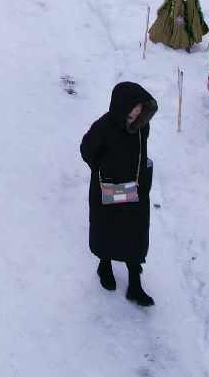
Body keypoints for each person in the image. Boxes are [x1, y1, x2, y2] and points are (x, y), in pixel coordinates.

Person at [80, 82, 159, 307]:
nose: (137, 111)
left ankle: (135, 285)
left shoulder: (142, 127)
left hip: (134, 190)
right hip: (109, 189)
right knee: (107, 229)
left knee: (135, 235)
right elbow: (87, 149)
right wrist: (102, 171)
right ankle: (104, 266)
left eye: (140, 107)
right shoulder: (104, 127)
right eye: (133, 106)